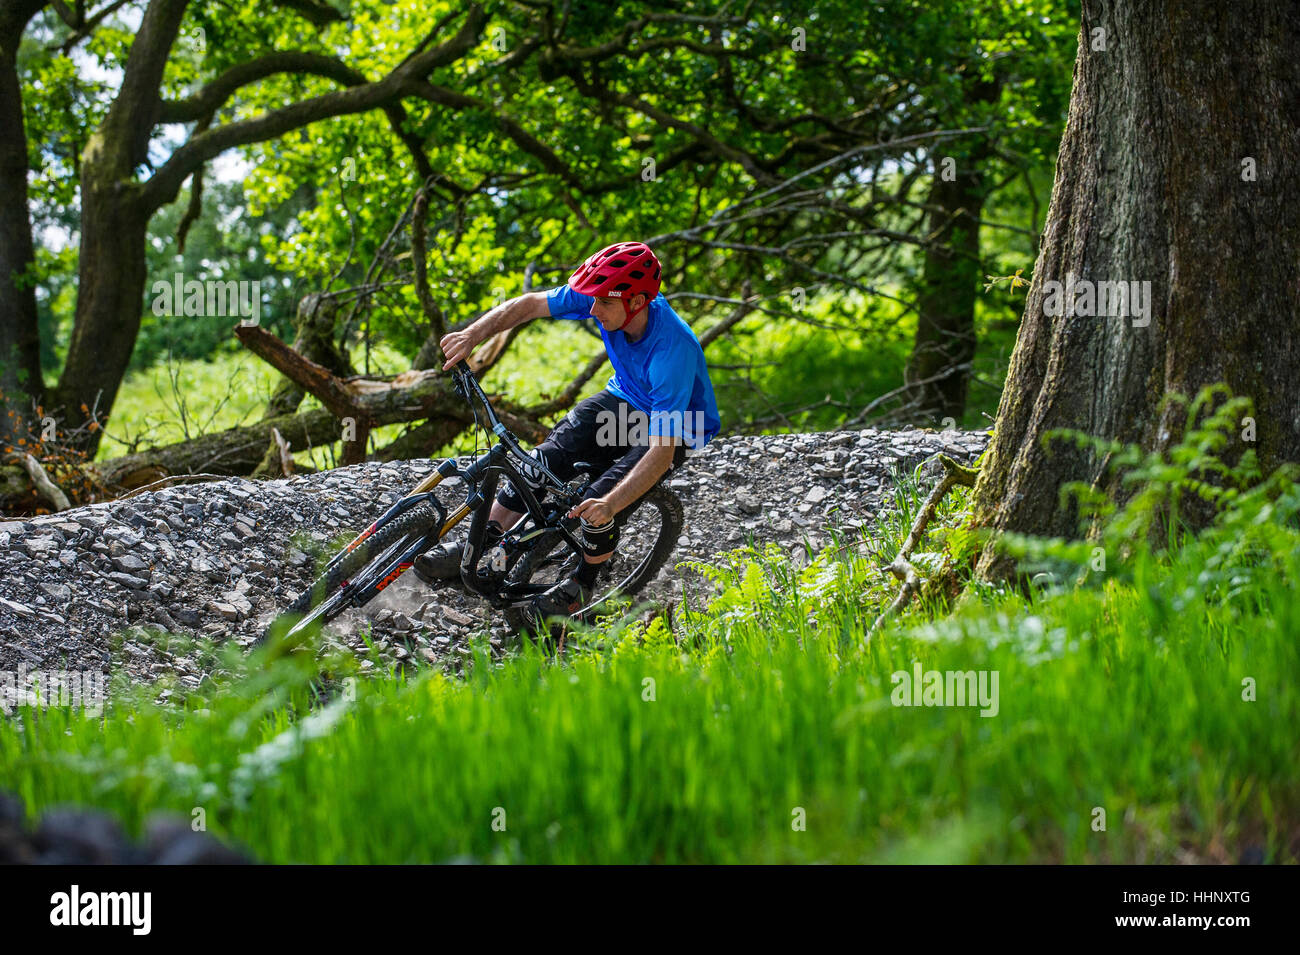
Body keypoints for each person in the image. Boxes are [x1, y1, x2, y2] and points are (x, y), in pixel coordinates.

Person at [414, 240, 720, 620]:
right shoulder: (604, 293)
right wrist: (471, 335)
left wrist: (610, 503)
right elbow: (528, 304)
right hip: (625, 398)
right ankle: (481, 543)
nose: (592, 310)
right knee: (541, 464)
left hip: (679, 424)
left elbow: (660, 451)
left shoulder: (673, 351)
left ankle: (580, 585)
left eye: (603, 304)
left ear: (638, 303)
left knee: (597, 503)